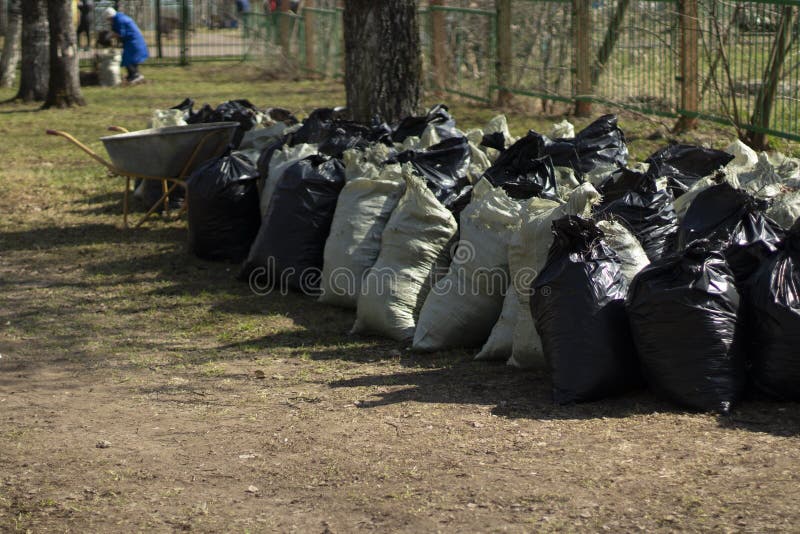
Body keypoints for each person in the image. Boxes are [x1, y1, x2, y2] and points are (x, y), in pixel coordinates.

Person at [103, 7, 149, 84]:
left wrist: (109, 36)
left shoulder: (119, 20)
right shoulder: (119, 18)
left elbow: (121, 33)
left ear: (110, 17)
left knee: (128, 58)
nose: (108, 21)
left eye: (108, 19)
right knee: (131, 58)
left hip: (133, 41)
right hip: (133, 40)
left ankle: (135, 75)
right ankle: (132, 75)